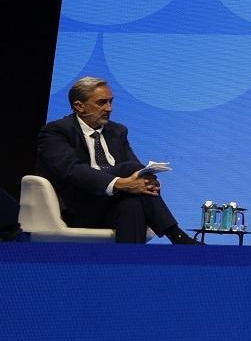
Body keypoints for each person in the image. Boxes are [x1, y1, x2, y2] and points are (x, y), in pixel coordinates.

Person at [34, 76, 198, 244]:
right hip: (78, 208)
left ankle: (128, 265)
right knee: (130, 169)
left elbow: (137, 173)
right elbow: (72, 170)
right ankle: (175, 234)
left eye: (111, 102)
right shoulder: (56, 131)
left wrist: (147, 183)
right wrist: (120, 183)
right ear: (79, 106)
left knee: (132, 204)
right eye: (101, 102)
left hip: (110, 208)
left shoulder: (117, 131)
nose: (109, 108)